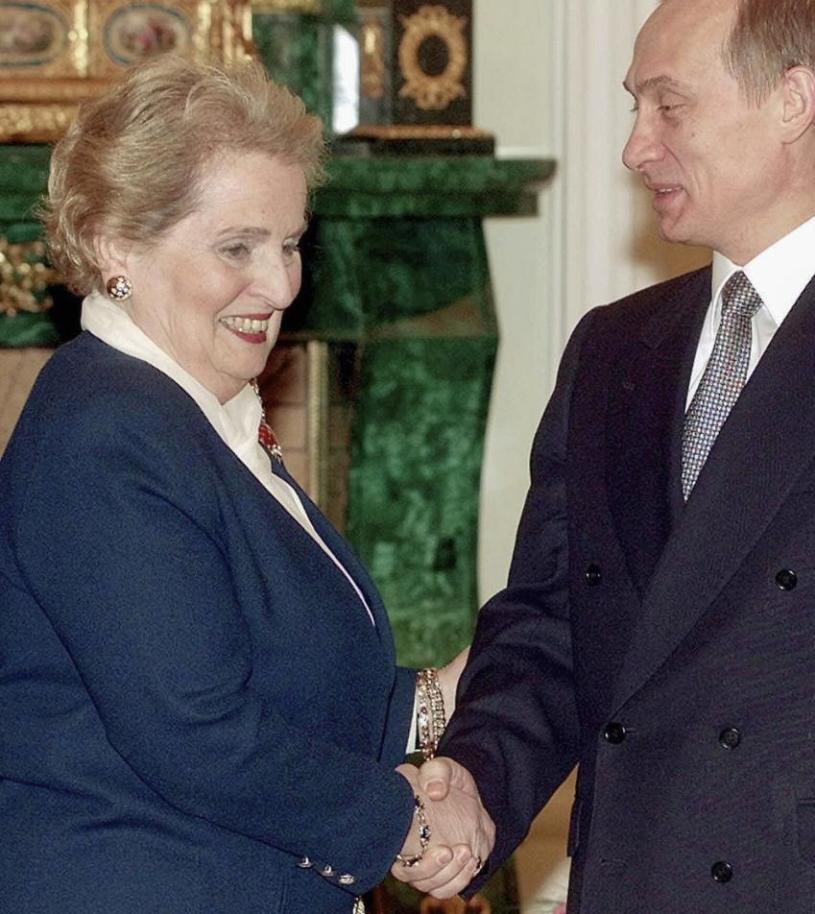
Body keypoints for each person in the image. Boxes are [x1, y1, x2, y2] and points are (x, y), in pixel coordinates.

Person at [394, 0, 815, 911]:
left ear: (793, 102)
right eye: (632, 108)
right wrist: (474, 782)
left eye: (669, 107)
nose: (634, 148)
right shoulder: (615, 348)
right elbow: (550, 625)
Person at [0, 55, 492, 914]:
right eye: (238, 247)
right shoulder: (107, 431)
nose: (280, 284)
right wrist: (407, 825)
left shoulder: (193, 413)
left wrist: (461, 687)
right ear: (119, 245)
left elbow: (278, 671)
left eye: (292, 243)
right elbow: (197, 734)